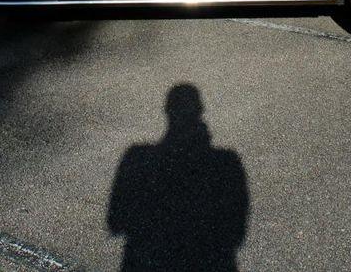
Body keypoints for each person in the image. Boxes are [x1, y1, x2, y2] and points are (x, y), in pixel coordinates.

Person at [107, 83, 250, 271]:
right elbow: (236, 233)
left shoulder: (137, 158)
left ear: (167, 111)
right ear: (200, 110)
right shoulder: (226, 163)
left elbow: (115, 222)